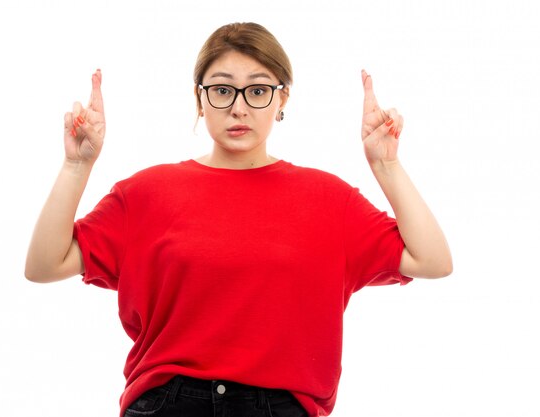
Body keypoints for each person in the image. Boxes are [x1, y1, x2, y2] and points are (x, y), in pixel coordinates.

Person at [25, 22, 452, 417]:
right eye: (223, 90)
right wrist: (76, 166)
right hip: (168, 403)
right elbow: (45, 265)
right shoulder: (145, 193)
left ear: (282, 98)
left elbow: (432, 261)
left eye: (258, 91)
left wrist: (386, 166)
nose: (239, 108)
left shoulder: (329, 199)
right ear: (200, 98)